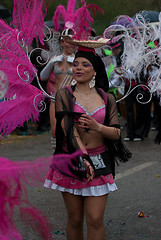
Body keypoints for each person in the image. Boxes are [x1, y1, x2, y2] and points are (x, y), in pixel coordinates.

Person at [44, 44, 131, 240]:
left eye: (85, 64)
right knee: (75, 219)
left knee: (95, 218)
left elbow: (116, 133)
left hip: (100, 161)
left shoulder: (107, 98)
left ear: (95, 71)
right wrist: (83, 157)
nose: (78, 68)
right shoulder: (64, 95)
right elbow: (67, 130)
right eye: (76, 64)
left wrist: (97, 126)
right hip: (71, 160)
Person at [40, 28, 76, 152]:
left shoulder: (78, 60)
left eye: (72, 41)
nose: (70, 44)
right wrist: (51, 63)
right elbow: (43, 77)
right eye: (67, 41)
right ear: (62, 42)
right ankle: (57, 158)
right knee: (55, 131)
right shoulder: (56, 59)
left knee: (68, 130)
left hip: (72, 100)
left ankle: (72, 157)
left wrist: (76, 66)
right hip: (55, 99)